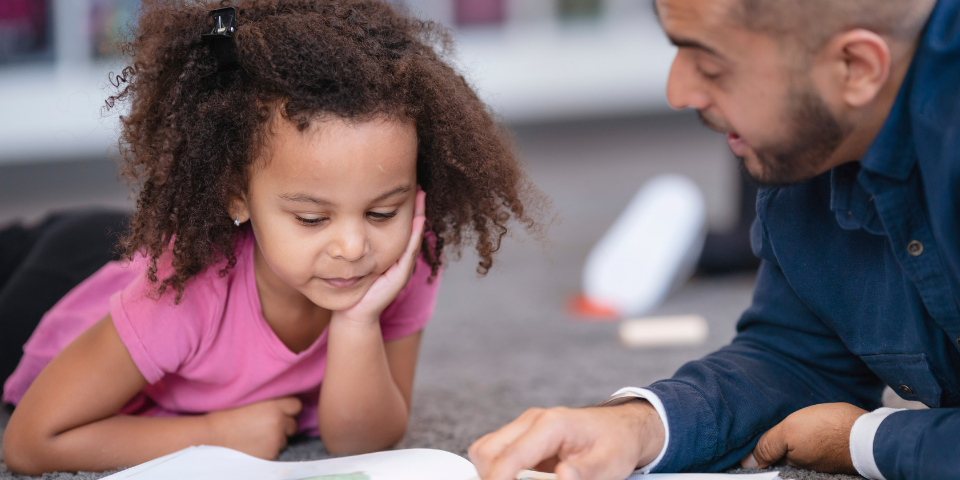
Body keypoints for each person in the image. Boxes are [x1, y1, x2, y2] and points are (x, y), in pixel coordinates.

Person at [0, 0, 540, 474]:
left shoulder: (405, 259)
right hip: (64, 281)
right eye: (312, 219)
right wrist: (213, 435)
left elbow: (364, 442)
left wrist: (356, 322)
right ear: (236, 195)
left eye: (381, 211)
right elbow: (30, 443)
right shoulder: (181, 295)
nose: (353, 248)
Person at [469, 0, 958, 479]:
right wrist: (636, 426)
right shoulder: (811, 149)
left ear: (854, 67)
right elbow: (794, 356)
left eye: (710, 65)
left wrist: (864, 441)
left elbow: (853, 428)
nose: (677, 92)